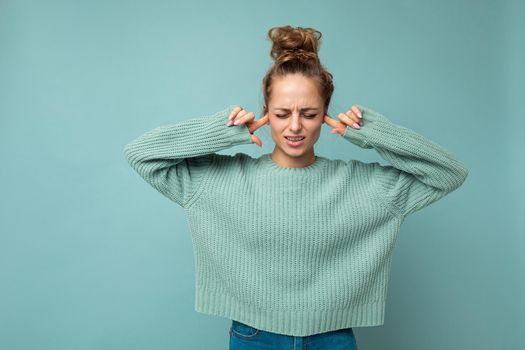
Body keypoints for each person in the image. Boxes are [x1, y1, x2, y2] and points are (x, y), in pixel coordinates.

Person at [123, 25, 469, 350]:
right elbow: (141, 154)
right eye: (282, 112)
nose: (294, 126)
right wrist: (223, 130)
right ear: (265, 113)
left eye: (308, 113)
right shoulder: (218, 181)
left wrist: (371, 133)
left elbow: (449, 173)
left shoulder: (366, 185)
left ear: (325, 115)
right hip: (253, 335)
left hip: (332, 337)